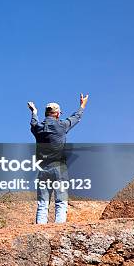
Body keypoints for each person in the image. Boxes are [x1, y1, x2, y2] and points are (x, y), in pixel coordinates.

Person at [27, 94, 88, 224]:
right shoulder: (62, 126)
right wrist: (82, 105)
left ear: (46, 113)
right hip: (59, 168)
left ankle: (40, 232)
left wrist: (34, 112)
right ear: (57, 114)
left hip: (42, 169)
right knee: (60, 202)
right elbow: (76, 117)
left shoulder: (38, 128)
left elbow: (33, 123)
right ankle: (59, 231)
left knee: (42, 205)